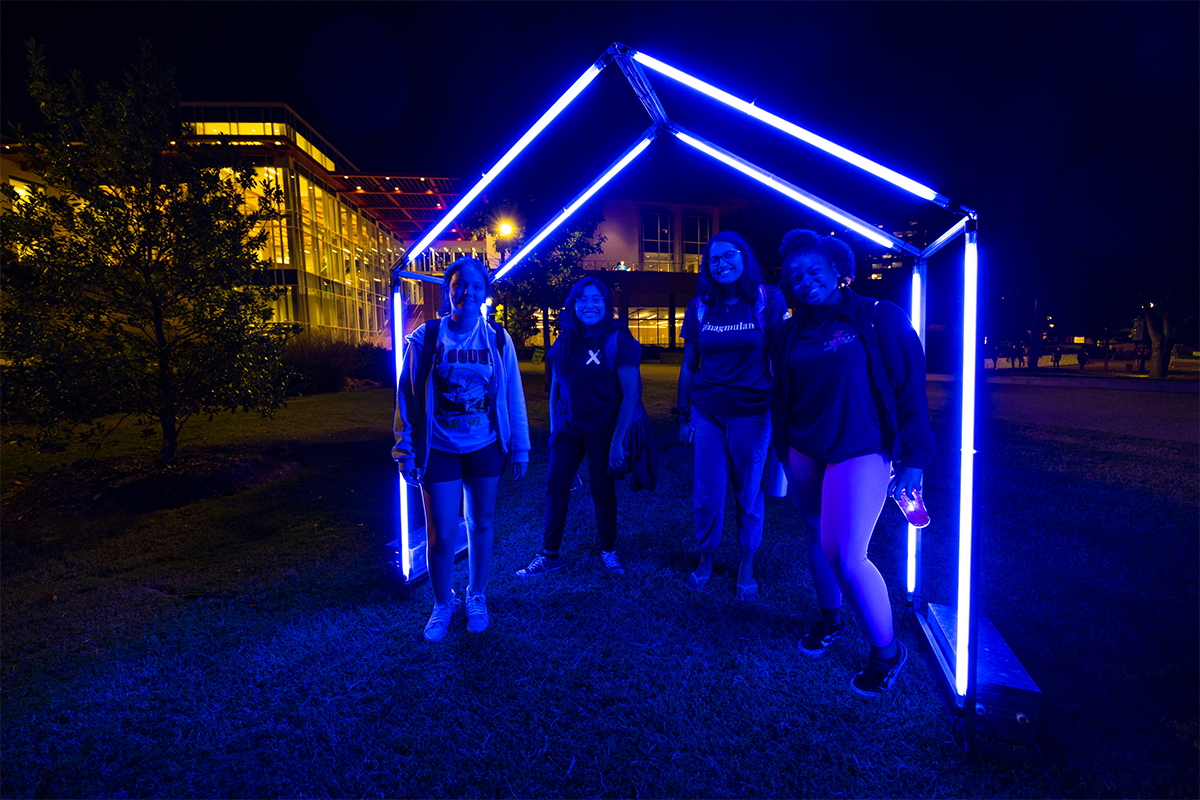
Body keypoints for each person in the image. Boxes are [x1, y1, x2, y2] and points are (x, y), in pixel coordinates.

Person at [771, 229, 935, 697]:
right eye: (795, 276)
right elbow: (784, 391)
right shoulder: (789, 329)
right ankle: (831, 620)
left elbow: (910, 392)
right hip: (804, 449)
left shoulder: (880, 316)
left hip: (860, 449)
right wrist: (784, 448)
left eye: (814, 270)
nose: (805, 280)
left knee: (846, 553)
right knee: (816, 533)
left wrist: (914, 461)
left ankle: (887, 652)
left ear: (839, 270)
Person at [393, 257, 530, 643]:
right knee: (441, 535)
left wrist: (520, 448)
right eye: (459, 284)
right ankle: (442, 602)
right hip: (438, 448)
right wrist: (405, 450)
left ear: (485, 292)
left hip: (485, 446)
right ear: (448, 290)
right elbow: (407, 398)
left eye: (475, 285)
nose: (467, 291)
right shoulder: (427, 338)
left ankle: (476, 596)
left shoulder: (498, 339)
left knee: (481, 523)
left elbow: (513, 397)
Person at [675, 231, 787, 599]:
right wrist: (683, 414)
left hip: (753, 414)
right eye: (713, 259)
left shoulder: (767, 301)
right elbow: (690, 365)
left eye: (728, 256)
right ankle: (705, 559)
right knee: (707, 493)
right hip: (707, 413)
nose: (721, 264)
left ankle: (746, 563)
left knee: (748, 492)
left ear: (744, 257)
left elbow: (783, 359)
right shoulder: (700, 307)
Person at [517, 276, 641, 579]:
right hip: (568, 430)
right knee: (555, 488)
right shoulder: (565, 339)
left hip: (604, 431)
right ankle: (550, 556)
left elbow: (632, 395)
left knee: (602, 490)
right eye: (583, 299)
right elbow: (556, 388)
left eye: (597, 299)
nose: (590, 305)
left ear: (606, 305)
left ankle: (608, 550)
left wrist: (616, 443)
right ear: (573, 304)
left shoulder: (618, 340)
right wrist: (554, 430)